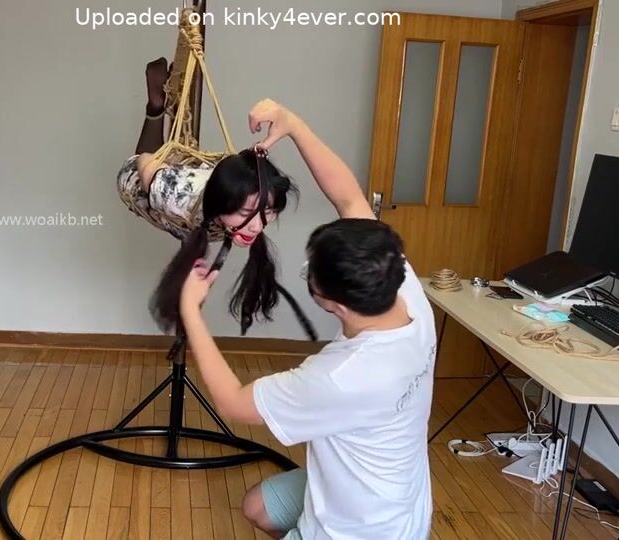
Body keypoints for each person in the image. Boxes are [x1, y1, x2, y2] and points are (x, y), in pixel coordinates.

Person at [178, 98, 437, 539]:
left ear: (335, 304)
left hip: (360, 531)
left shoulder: (340, 378)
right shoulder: (403, 290)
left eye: (309, 274)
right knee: (259, 506)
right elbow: (349, 197)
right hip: (399, 499)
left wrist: (190, 312)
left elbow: (234, 404)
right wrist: (294, 125)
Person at [118, 58, 309, 337]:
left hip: (199, 184)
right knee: (149, 162)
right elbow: (147, 160)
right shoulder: (177, 196)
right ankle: (156, 105)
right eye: (245, 214)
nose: (257, 226)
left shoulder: (243, 202)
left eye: (267, 212)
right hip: (141, 181)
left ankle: (166, 106)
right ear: (225, 202)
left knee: (180, 164)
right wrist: (160, 165)